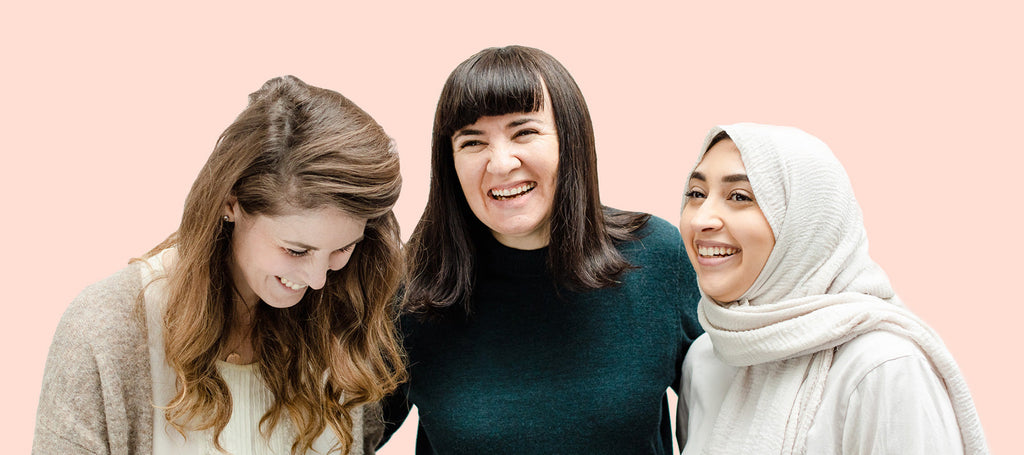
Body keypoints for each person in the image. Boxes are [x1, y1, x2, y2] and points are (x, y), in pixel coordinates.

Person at [33, 75, 405, 455]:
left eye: (343, 249)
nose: (317, 279)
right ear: (231, 202)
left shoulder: (346, 318)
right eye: (296, 250)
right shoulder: (107, 332)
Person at [377, 45, 703, 454]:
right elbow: (335, 433)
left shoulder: (657, 255)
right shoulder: (412, 287)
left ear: (571, 140)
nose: (500, 164)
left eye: (524, 132)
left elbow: (740, 405)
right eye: (472, 142)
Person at [676, 123, 987, 454]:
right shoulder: (706, 359)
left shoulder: (882, 367)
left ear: (807, 222)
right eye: (696, 194)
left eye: (739, 197)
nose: (701, 219)